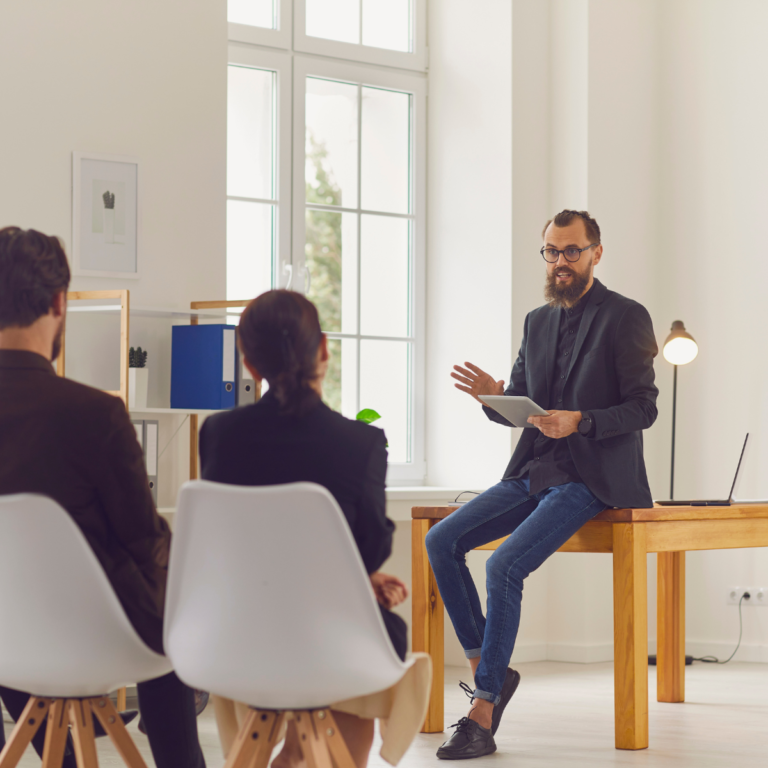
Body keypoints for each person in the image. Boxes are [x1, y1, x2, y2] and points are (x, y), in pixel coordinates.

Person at [427, 210, 659, 759]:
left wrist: (581, 419)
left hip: (592, 475)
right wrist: (494, 395)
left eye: (571, 251)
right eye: (552, 252)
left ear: (596, 253)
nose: (560, 262)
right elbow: (524, 406)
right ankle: (491, 668)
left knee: (504, 563)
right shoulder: (537, 320)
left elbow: (644, 407)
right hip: (534, 469)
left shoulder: (627, 316)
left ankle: (482, 713)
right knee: (441, 540)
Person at [0, 227, 206, 768]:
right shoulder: (93, 413)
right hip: (94, 633)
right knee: (171, 625)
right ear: (58, 303)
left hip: (6, 636)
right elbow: (142, 537)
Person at [200, 289, 409, 768]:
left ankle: (295, 751)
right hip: (328, 637)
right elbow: (370, 549)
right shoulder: (361, 442)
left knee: (334, 630)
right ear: (324, 350)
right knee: (370, 634)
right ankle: (314, 756)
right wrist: (358, 582)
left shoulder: (219, 434)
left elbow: (232, 549)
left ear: (249, 363)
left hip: (236, 636)